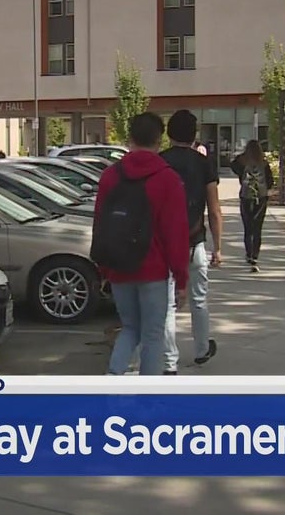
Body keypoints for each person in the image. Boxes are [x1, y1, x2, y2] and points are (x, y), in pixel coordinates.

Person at [93, 112, 190, 376]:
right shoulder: (168, 179)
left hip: (119, 267)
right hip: (154, 270)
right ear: (160, 141)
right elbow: (176, 233)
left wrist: (103, 269)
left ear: (130, 138)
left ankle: (113, 381)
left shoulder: (110, 176)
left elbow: (101, 223)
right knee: (153, 336)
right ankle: (148, 399)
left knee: (130, 328)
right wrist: (181, 279)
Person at [159, 110, 223, 372]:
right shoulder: (204, 163)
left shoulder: (160, 162)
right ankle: (201, 349)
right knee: (198, 299)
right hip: (194, 240)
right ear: (194, 134)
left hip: (164, 244)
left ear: (169, 133)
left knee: (167, 304)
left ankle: (168, 362)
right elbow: (214, 208)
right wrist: (218, 247)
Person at [230, 140, 274, 272]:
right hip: (261, 197)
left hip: (245, 196)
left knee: (247, 227)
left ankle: (249, 254)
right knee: (257, 227)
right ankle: (255, 254)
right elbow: (270, 181)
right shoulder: (264, 164)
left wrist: (242, 155)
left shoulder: (242, 163)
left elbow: (232, 165)